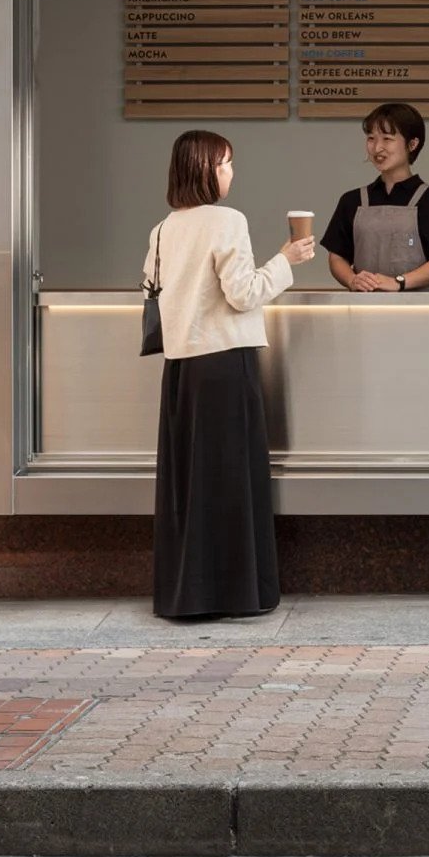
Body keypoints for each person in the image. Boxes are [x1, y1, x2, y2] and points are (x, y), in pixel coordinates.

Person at [144, 127, 316, 620]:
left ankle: (186, 595)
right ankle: (236, 593)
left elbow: (155, 291)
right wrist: (286, 261)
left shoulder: (162, 230)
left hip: (180, 370)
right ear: (206, 171)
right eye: (226, 164)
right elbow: (242, 293)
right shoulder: (227, 221)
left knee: (189, 484)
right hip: (225, 363)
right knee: (230, 480)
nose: (231, 172)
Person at [321, 101, 429, 293]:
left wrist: (398, 282)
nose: (377, 148)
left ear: (412, 144)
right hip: (362, 310)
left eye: (387, 139)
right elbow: (337, 256)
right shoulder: (351, 201)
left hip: (419, 313)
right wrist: (352, 280)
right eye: (371, 138)